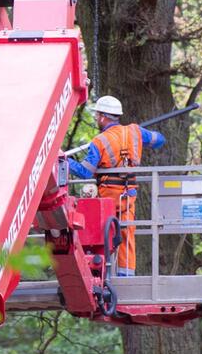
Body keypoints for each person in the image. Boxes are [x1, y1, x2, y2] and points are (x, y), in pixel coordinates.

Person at [67, 96, 165, 276]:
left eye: (97, 116)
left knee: (102, 234)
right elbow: (160, 140)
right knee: (127, 234)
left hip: (108, 198)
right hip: (128, 194)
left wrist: (65, 161)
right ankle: (127, 275)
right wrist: (141, 134)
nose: (96, 119)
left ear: (104, 117)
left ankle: (101, 275)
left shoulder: (99, 141)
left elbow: (85, 172)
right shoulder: (135, 132)